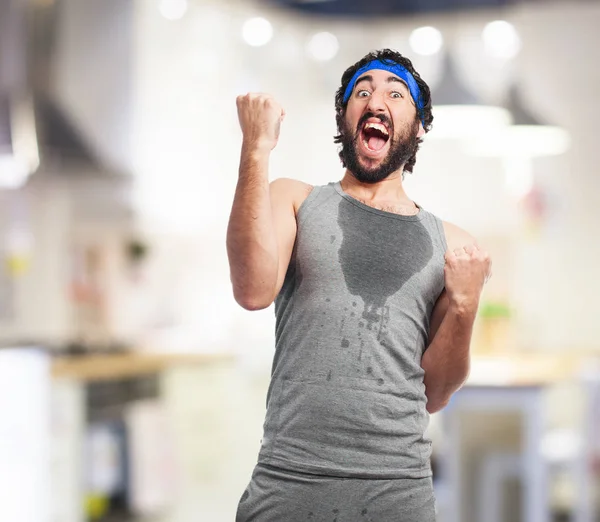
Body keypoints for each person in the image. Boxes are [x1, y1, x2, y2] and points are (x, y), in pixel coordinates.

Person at [227, 49, 492, 522]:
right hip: (289, 481)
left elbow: (435, 391)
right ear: (345, 118)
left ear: (420, 127)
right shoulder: (294, 200)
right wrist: (256, 147)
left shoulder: (454, 245)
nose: (375, 100)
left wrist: (465, 306)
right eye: (362, 92)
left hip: (397, 491)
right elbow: (252, 290)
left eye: (395, 93)